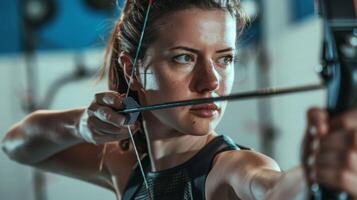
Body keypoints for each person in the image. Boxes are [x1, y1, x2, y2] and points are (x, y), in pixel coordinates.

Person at [3, 0, 357, 199]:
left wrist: (317, 177)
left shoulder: (229, 170)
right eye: (184, 57)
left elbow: (274, 187)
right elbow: (17, 145)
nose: (211, 82)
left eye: (225, 58)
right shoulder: (124, 165)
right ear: (131, 68)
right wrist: (81, 125)